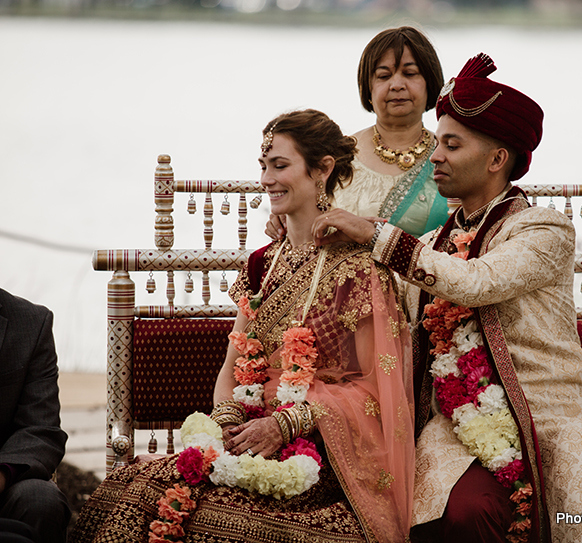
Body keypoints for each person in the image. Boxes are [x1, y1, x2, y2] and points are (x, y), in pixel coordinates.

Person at [311, 54, 582, 543]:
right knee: (461, 514)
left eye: (451, 145)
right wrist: (298, 229)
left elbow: (476, 282)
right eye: (438, 143)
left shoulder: (543, 229)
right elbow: (379, 299)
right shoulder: (432, 245)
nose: (435, 156)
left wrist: (372, 232)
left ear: (497, 160)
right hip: (458, 422)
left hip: (555, 414)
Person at [70, 110, 414, 543]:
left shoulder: (360, 268)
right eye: (263, 166)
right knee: (126, 490)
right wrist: (228, 421)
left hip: (318, 455)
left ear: (323, 169)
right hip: (246, 436)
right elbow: (233, 366)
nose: (267, 179)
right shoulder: (263, 265)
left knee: (215, 523)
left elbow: (376, 390)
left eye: (281, 166)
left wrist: (288, 425)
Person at [267, 26, 448, 241]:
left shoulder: (448, 156)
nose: (397, 85)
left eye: (410, 74)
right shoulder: (337, 155)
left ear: (430, 83)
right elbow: (302, 206)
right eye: (384, 76)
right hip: (337, 273)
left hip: (423, 273)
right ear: (368, 88)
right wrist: (286, 217)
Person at [0, 288, 70, 543]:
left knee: (40, 499)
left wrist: (2, 473)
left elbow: (41, 428)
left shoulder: (31, 322)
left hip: (3, 479)